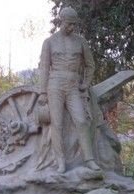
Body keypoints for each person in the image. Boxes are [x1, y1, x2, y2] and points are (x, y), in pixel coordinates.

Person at [38, 7, 100, 173]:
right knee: (56, 124)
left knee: (81, 120)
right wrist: (42, 92)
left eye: (74, 24)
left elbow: (90, 65)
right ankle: (60, 162)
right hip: (54, 85)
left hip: (73, 86)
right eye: (68, 24)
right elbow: (44, 68)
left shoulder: (80, 42)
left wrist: (85, 84)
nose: (71, 27)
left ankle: (89, 159)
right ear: (61, 21)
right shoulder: (49, 42)